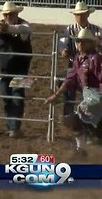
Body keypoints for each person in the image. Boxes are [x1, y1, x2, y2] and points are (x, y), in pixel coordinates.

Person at [45, 29, 102, 157]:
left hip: (97, 96)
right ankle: (81, 149)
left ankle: (84, 145)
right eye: (78, 41)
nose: (80, 44)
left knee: (76, 118)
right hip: (90, 96)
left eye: (83, 41)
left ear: (91, 43)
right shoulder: (78, 59)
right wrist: (56, 94)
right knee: (75, 121)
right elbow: (70, 79)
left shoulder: (96, 59)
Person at [0, 1, 32, 138]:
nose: (8, 16)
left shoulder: (24, 25)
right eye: (6, 14)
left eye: (10, 14)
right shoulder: (0, 24)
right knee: (6, 96)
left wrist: (3, 28)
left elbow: (22, 30)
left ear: (16, 14)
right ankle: (11, 127)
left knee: (17, 96)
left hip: (22, 68)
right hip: (4, 68)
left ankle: (14, 127)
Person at [58, 1, 100, 121]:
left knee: (91, 94)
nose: (80, 17)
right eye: (78, 14)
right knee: (69, 92)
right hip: (74, 65)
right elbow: (61, 44)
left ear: (87, 14)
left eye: (82, 14)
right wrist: (63, 50)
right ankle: (69, 116)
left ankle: (89, 120)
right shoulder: (68, 30)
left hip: (93, 67)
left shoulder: (96, 30)